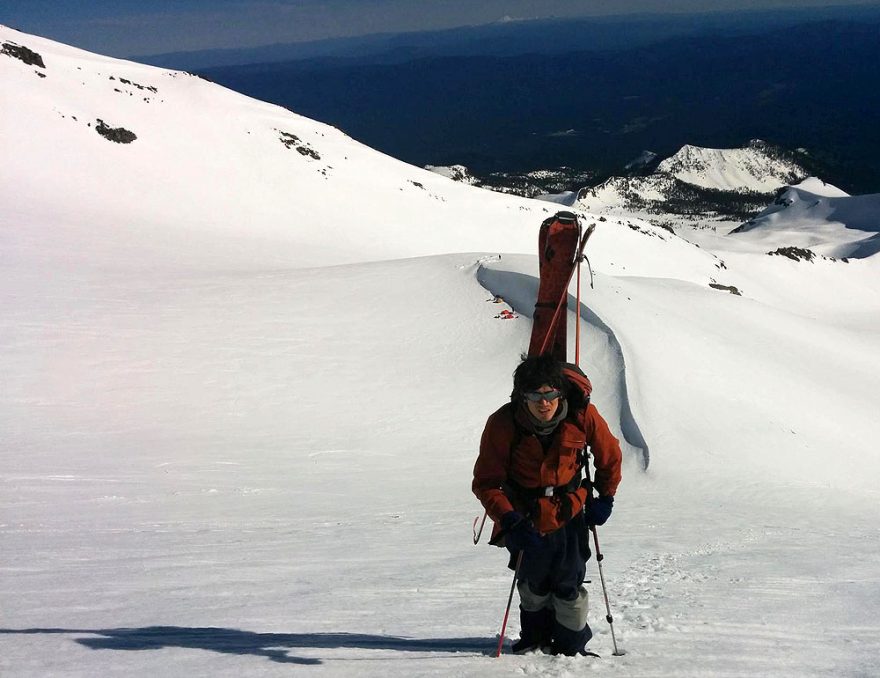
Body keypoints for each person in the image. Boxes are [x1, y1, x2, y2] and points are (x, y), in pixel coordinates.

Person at [472, 353, 622, 656]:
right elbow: (486, 482)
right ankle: (535, 639)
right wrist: (508, 518)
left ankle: (570, 646)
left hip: (569, 512)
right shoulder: (503, 423)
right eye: (535, 395)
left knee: (568, 581)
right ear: (522, 397)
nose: (545, 402)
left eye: (551, 393)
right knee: (533, 581)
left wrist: (605, 497)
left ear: (560, 392)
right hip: (524, 515)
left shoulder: (582, 415)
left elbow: (610, 457)